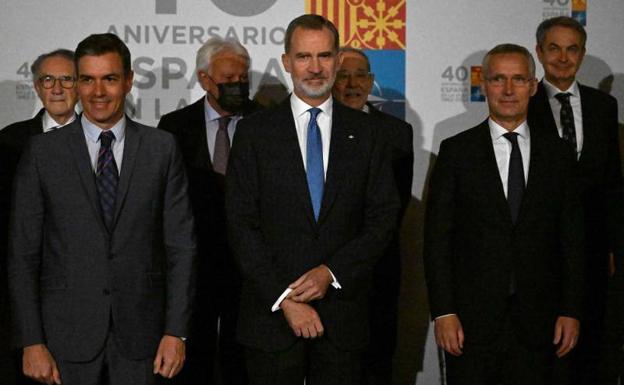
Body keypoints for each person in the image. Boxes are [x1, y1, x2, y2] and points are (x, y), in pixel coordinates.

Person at [8, 33, 196, 385]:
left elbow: (181, 247)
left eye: (109, 79)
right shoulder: (42, 153)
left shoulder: (161, 148)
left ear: (127, 81)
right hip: (64, 338)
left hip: (144, 338)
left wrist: (177, 332)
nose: (97, 92)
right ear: (77, 84)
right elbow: (23, 254)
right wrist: (31, 340)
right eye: (87, 79)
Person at [225, 14, 400, 385]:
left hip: (343, 320)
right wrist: (284, 297)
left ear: (338, 60)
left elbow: (382, 218)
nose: (315, 68)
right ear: (287, 62)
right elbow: (241, 223)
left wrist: (331, 273)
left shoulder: (369, 134)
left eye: (324, 56)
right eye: (304, 57)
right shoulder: (254, 132)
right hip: (270, 321)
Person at [424, 43, 584, 385]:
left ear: (533, 85)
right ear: (484, 86)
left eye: (518, 79)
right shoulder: (456, 151)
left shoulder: (558, 155)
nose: (509, 90)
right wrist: (444, 311)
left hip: (541, 324)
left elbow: (573, 238)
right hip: (469, 324)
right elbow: (437, 239)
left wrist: (571, 310)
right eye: (498, 79)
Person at [528, 16, 624, 384]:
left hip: (595, 253)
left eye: (572, 49)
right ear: (539, 52)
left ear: (582, 54)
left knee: (593, 354)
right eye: (554, 48)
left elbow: (613, 182)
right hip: (539, 251)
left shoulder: (604, 106)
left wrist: (614, 244)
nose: (563, 57)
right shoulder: (523, 101)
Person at [157, 36, 256, 385]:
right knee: (191, 359)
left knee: (241, 360)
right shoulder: (173, 127)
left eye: (243, 79)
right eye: (228, 80)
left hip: (251, 267)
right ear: (204, 80)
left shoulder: (268, 124)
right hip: (193, 263)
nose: (238, 86)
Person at [332, 46, 413, 385]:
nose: (352, 83)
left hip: (379, 266)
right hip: (327, 268)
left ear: (372, 81)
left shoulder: (397, 132)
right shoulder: (315, 127)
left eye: (360, 75)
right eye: (343, 75)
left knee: (378, 360)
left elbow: (397, 204)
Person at [0, 48, 79, 385]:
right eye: (48, 79)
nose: (57, 88)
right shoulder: (9, 143)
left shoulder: (107, 140)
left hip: (87, 296)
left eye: (67, 79)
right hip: (26, 296)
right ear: (36, 87)